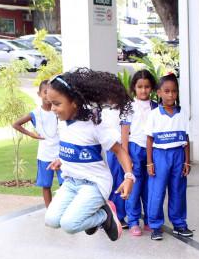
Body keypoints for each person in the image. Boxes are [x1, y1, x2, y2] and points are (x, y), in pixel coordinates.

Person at [43, 68, 135, 241]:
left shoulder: (95, 124)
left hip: (94, 184)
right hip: (71, 182)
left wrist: (129, 177)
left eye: (57, 104)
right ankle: (93, 219)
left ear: (74, 103)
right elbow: (76, 148)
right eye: (51, 103)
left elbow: (119, 151)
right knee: (51, 220)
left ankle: (104, 216)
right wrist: (61, 159)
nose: (53, 109)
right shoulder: (63, 123)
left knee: (69, 225)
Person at [145, 73, 193, 241]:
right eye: (166, 91)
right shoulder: (153, 115)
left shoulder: (182, 113)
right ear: (158, 93)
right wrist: (149, 162)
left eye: (174, 91)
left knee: (178, 190)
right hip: (160, 155)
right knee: (157, 192)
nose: (171, 95)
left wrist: (187, 160)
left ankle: (179, 223)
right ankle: (155, 225)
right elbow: (149, 139)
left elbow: (186, 139)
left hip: (178, 155)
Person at [12, 80, 62, 207]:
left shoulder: (58, 110)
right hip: (45, 155)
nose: (47, 95)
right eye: (45, 92)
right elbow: (16, 124)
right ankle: (49, 210)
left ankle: (63, 208)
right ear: (39, 94)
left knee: (65, 183)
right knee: (46, 185)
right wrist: (31, 134)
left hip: (61, 155)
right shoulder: (35, 114)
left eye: (50, 92)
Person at [121, 69, 157, 237]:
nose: (144, 90)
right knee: (135, 186)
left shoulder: (156, 107)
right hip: (134, 148)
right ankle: (134, 220)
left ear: (152, 88)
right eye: (140, 87)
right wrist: (126, 155)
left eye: (147, 87)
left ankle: (149, 220)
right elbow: (124, 133)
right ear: (134, 88)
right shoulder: (129, 106)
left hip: (152, 150)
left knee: (150, 186)